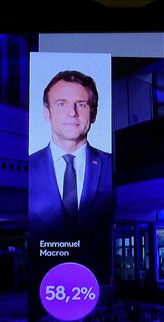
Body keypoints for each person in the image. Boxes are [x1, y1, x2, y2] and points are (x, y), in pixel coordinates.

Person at [28, 70, 112, 240]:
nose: (72, 112)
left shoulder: (112, 165)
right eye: (61, 104)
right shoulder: (26, 168)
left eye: (81, 104)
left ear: (94, 113)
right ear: (47, 112)